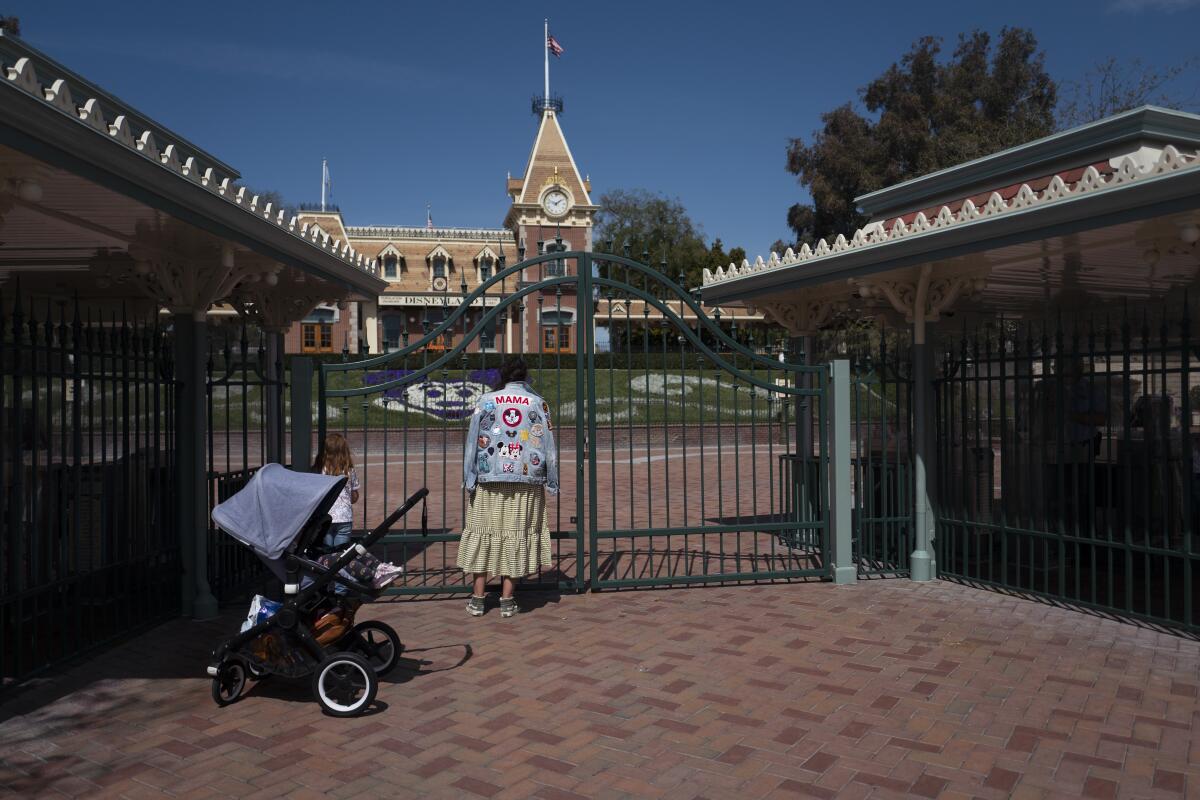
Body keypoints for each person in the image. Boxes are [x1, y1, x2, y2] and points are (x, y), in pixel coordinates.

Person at [458, 356, 557, 618]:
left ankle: (478, 598)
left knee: (484, 532)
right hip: (525, 480)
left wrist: (469, 477)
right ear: (525, 375)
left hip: (488, 478)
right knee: (515, 533)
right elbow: (549, 445)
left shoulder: (485, 401)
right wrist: (552, 480)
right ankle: (507, 599)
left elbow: (471, 442)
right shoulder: (538, 403)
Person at [313, 433, 361, 550]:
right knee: (341, 553)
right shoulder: (349, 470)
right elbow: (354, 497)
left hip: (326, 517)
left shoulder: (321, 469)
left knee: (326, 551)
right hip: (344, 517)